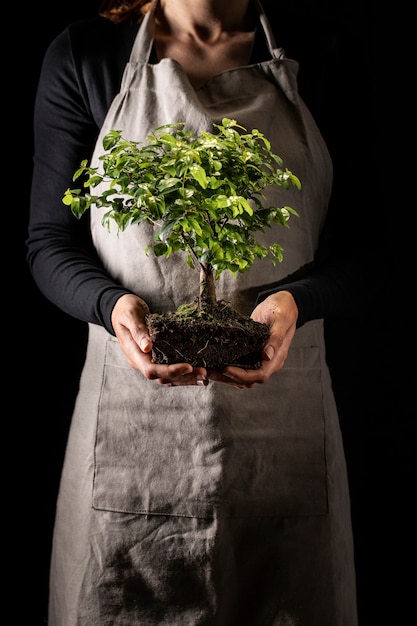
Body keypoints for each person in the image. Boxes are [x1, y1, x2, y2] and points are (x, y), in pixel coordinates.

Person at [27, 0, 380, 624]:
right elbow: (50, 241)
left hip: (282, 431)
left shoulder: (321, 53)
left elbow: (368, 247)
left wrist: (297, 301)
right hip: (132, 437)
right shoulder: (88, 56)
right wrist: (114, 308)